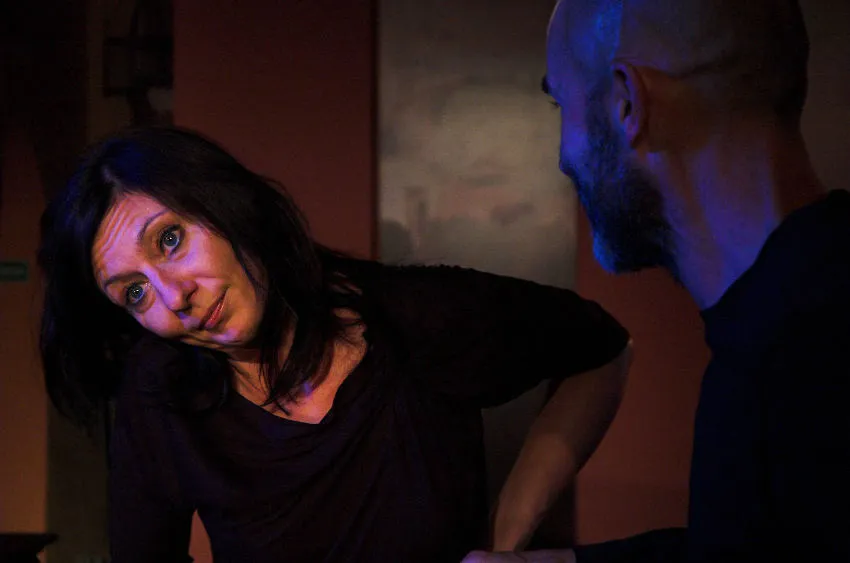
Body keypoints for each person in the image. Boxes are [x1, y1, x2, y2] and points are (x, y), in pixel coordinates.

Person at [37, 126, 632, 563]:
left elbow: (603, 346)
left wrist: (506, 539)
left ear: (225, 204)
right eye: (135, 292)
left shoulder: (416, 317)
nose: (174, 297)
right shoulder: (162, 387)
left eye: (170, 239)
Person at [464, 0, 849, 562]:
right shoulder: (791, 313)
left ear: (627, 103)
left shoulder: (813, 355)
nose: (564, 157)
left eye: (562, 104)